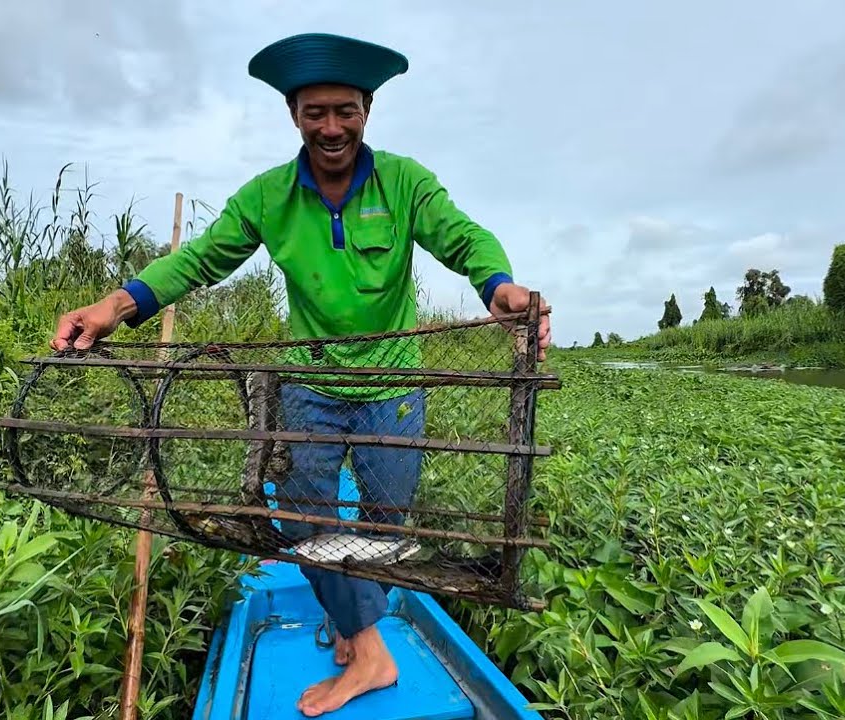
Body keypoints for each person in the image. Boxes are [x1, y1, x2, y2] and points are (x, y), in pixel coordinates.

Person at [50, 32, 551, 717]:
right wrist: (115, 306)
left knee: (382, 527)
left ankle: (353, 623)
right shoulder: (270, 196)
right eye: (316, 112)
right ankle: (371, 652)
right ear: (293, 115)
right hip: (310, 388)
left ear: (367, 111)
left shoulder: (405, 182)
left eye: (345, 111)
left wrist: (499, 286)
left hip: (392, 390)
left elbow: (464, 238)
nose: (331, 127)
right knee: (302, 520)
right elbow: (199, 259)